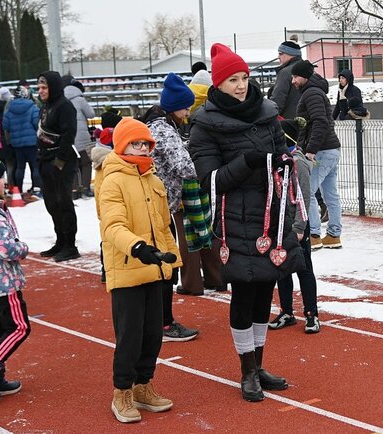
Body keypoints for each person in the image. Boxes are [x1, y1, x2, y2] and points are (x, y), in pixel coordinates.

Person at [189, 43, 305, 402]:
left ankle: (259, 364)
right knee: (243, 293)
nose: (241, 86)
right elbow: (211, 181)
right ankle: (246, 370)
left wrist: (285, 158)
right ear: (218, 84)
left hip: (270, 216)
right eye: (233, 80)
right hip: (235, 220)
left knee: (264, 291)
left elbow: (279, 153)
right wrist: (248, 162)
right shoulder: (205, 125)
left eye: (244, 78)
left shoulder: (267, 113)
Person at [99, 118, 178, 423]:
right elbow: (113, 226)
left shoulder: (153, 180)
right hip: (128, 269)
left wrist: (173, 262)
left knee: (153, 334)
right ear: (122, 145)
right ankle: (122, 392)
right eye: (136, 143)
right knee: (130, 336)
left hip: (155, 269)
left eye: (146, 143)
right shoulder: (113, 180)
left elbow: (163, 226)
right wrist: (137, 247)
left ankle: (143, 386)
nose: (143, 148)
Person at [141, 73, 201, 340]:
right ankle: (164, 323)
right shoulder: (165, 131)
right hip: (162, 207)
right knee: (168, 265)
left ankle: (157, 320)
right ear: (174, 106)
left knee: (161, 264)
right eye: (185, 108)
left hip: (157, 205)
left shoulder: (155, 126)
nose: (188, 113)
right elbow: (185, 167)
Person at [0, 154, 30, 401]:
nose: (4, 181)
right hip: (0, 282)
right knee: (19, 327)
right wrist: (22, 247)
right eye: (0, 177)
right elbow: (4, 249)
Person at [269, 117, 320, 334]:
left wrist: (299, 228)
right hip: (280, 223)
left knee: (304, 267)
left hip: (297, 224)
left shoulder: (298, 163)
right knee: (281, 268)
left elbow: (304, 198)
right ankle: (287, 311)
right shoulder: (277, 162)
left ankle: (311, 313)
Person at [291, 60, 343, 250]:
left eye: (296, 77)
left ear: (305, 77)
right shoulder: (315, 91)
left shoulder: (311, 93)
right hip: (330, 149)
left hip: (320, 151)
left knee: (308, 192)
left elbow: (320, 121)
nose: (293, 81)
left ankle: (313, 235)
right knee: (330, 193)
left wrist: (311, 150)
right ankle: (333, 235)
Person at [35, 71, 80, 262]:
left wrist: (59, 161)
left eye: (44, 87)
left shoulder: (65, 106)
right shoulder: (46, 106)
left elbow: (69, 135)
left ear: (53, 87)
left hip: (61, 162)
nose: (40, 91)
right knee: (52, 203)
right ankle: (60, 240)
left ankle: (70, 245)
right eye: (39, 87)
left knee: (63, 203)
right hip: (45, 159)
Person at [91, 109, 123, 284]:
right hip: (110, 206)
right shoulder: (111, 160)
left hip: (103, 208)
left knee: (106, 237)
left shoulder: (101, 155)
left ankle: (106, 269)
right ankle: (109, 270)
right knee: (112, 238)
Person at [2, 86, 41, 196]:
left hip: (17, 144)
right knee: (35, 166)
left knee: (20, 167)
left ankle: (18, 190)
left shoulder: (9, 108)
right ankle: (37, 189)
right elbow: (36, 123)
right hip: (32, 142)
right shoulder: (33, 107)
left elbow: (6, 126)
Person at [64, 79, 95, 198]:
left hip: (68, 137)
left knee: (73, 164)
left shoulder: (62, 100)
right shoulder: (80, 100)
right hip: (82, 137)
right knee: (86, 162)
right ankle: (86, 188)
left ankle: (74, 190)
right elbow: (91, 114)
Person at [270, 41, 303, 119]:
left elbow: (278, 98)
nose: (278, 57)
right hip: (306, 118)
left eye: (281, 54)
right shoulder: (309, 69)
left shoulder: (285, 72)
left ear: (291, 54)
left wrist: (270, 117)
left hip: (288, 120)